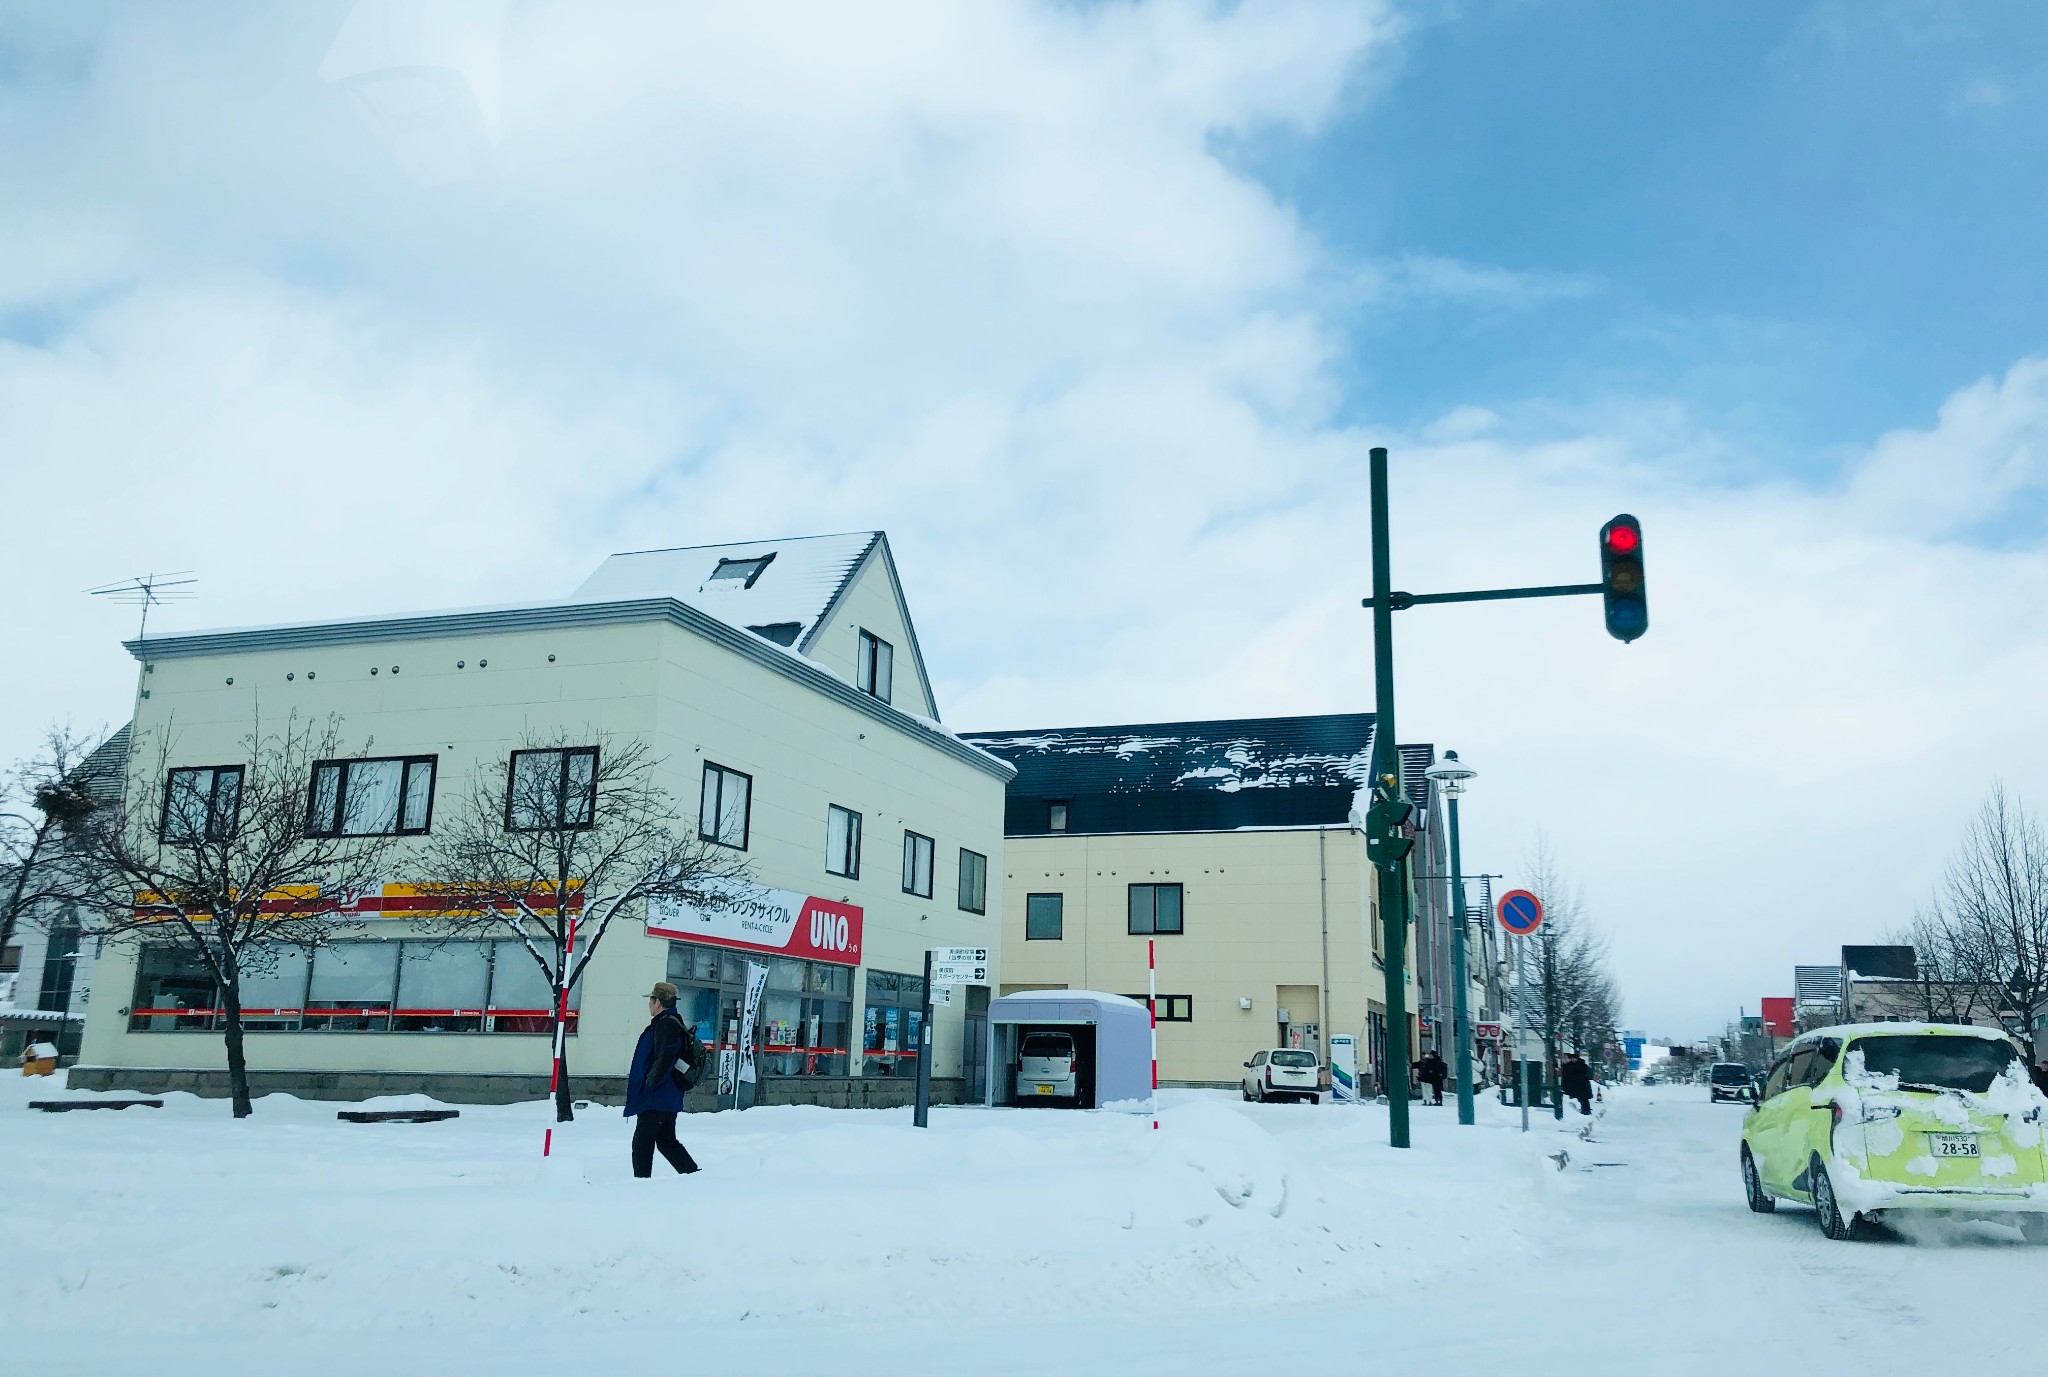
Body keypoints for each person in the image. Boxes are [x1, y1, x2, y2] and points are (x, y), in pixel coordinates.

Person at [625, 982, 701, 1178]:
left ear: (657, 1002)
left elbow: (665, 1056)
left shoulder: (666, 1023)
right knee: (666, 1140)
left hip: (658, 1095)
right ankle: (694, 1176)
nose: (649, 1005)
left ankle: (642, 1182)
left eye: (651, 1000)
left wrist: (651, 1083)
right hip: (667, 1094)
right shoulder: (672, 1021)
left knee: (643, 1141)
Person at [1560, 1051, 1594, 1116]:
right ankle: (1586, 1110)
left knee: (1582, 1099)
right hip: (1580, 1086)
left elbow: (1569, 1075)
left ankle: (1586, 1111)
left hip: (1580, 1085)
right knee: (1583, 1099)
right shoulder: (1577, 1065)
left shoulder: (1576, 1065)